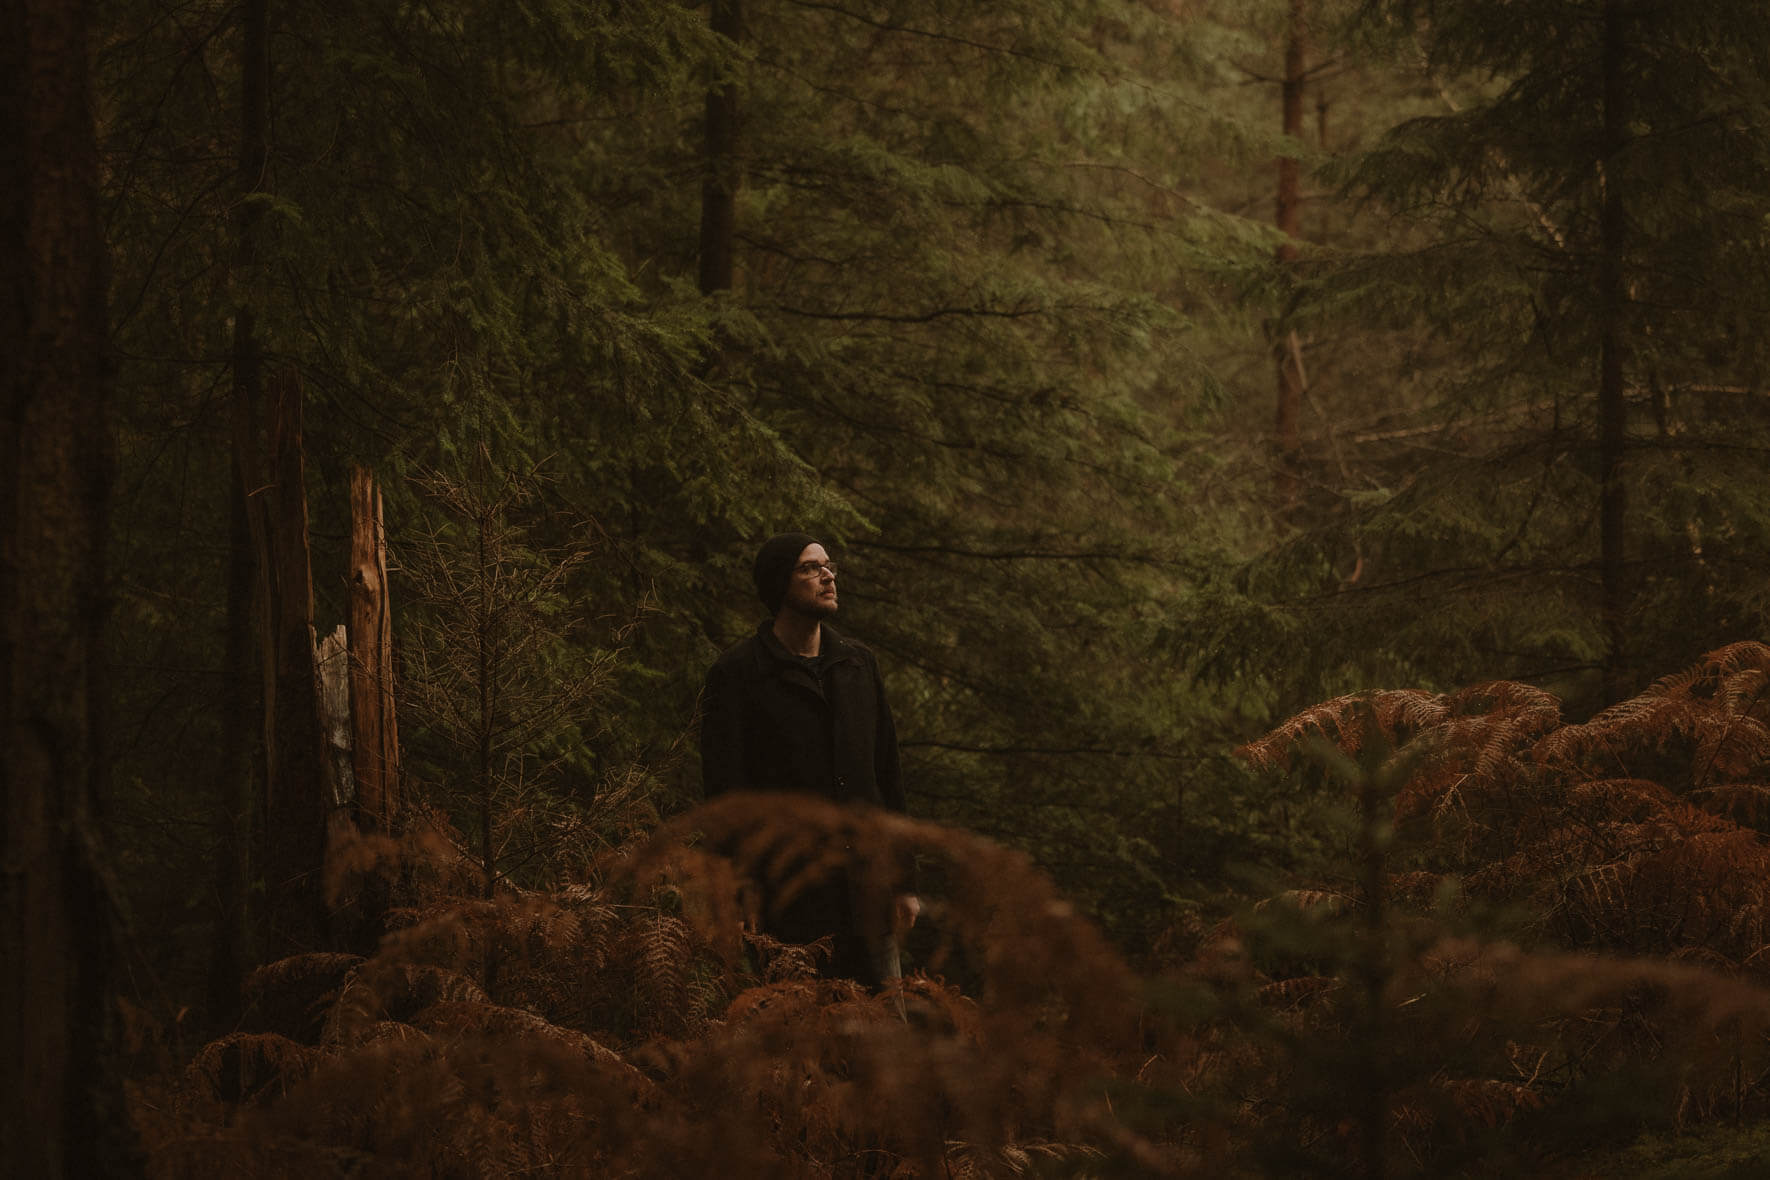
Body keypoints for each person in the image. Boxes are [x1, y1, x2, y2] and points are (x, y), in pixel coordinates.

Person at [700, 532, 920, 986]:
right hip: (788, 895)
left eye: (828, 566)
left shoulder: (858, 665)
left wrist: (903, 880)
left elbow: (888, 777)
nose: (827, 576)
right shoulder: (738, 674)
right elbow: (725, 798)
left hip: (867, 888)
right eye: (810, 568)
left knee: (880, 1036)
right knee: (801, 1036)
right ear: (781, 584)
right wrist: (737, 895)